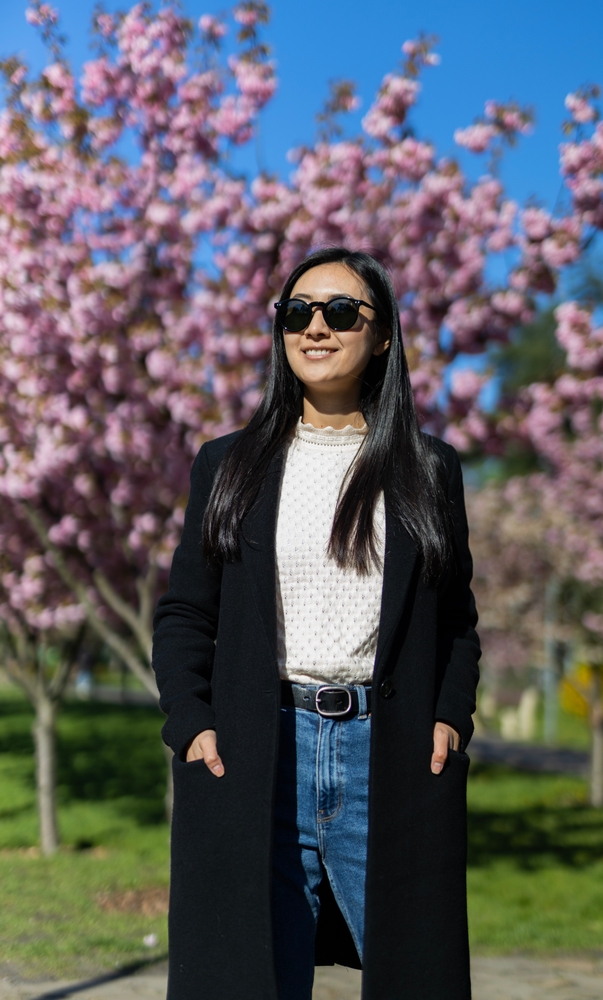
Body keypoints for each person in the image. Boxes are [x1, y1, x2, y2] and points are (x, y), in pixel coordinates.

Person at [152, 247, 481, 1000]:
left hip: (390, 758)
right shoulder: (228, 464)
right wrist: (191, 721)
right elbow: (184, 612)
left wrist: (450, 719)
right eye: (297, 313)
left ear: (384, 335)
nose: (316, 328)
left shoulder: (429, 469)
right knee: (245, 978)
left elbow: (457, 620)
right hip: (255, 752)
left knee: (414, 978)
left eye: (341, 312)